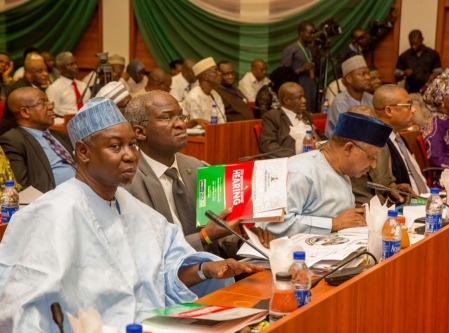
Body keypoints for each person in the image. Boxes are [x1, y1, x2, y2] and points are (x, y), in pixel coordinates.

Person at [0, 97, 263, 331]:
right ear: (83, 152)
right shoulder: (51, 214)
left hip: (153, 322)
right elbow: (25, 311)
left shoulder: (128, 204)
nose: (130, 156)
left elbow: (162, 275)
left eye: (133, 145)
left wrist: (207, 270)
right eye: (115, 147)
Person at [123, 91, 273, 257]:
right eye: (167, 118)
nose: (180, 124)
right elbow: (146, 254)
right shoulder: (127, 183)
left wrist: (246, 242)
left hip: (215, 273)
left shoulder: (196, 166)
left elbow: (218, 240)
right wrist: (204, 237)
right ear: (140, 132)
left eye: (181, 116)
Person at [261, 112, 392, 237]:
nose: (374, 165)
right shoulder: (299, 171)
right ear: (349, 148)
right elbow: (274, 225)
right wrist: (333, 224)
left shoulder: (342, 170)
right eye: (371, 157)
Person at [358, 86, 428, 200]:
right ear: (389, 111)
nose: (414, 109)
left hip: (424, 200)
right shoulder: (378, 145)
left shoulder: (398, 138)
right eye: (408, 105)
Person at [0, 87, 75, 193]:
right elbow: (23, 188)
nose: (51, 106)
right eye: (43, 103)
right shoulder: (13, 140)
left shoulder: (60, 135)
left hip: (86, 193)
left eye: (49, 102)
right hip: (54, 201)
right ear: (25, 112)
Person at [259, 82, 327, 158]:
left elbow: (323, 139)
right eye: (299, 98)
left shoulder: (306, 115)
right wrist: (296, 157)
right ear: (286, 100)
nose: (304, 100)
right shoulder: (273, 117)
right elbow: (268, 146)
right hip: (288, 163)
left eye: (304, 96)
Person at [0, 53, 49, 135]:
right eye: (39, 71)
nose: (45, 74)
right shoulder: (21, 90)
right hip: (13, 133)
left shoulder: (37, 87)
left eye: (46, 70)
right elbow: (29, 118)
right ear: (28, 74)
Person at [326, 55, 373, 137]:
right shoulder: (340, 101)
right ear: (349, 79)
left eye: (368, 74)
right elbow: (349, 132)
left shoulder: (371, 98)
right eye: (362, 74)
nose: (368, 77)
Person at [282, 20, 318, 112]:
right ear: (301, 33)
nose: (312, 36)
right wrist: (302, 69)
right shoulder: (291, 50)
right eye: (310, 33)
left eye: (314, 33)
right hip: (298, 89)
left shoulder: (311, 50)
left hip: (312, 87)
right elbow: (284, 74)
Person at [395, 29, 442, 93]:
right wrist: (403, 73)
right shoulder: (404, 56)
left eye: (416, 44)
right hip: (410, 91)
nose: (414, 46)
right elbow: (396, 75)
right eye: (411, 44)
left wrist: (430, 77)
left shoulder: (433, 54)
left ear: (422, 40)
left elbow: (438, 73)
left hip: (428, 90)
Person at [183, 57, 226, 126]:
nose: (220, 73)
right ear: (205, 76)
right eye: (216, 71)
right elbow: (198, 126)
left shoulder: (215, 95)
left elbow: (222, 122)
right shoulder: (194, 97)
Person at [46, 52, 91, 117]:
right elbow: (52, 114)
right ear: (60, 69)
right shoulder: (54, 88)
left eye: (75, 63)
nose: (75, 67)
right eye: (71, 64)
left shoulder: (84, 85)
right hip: (66, 123)